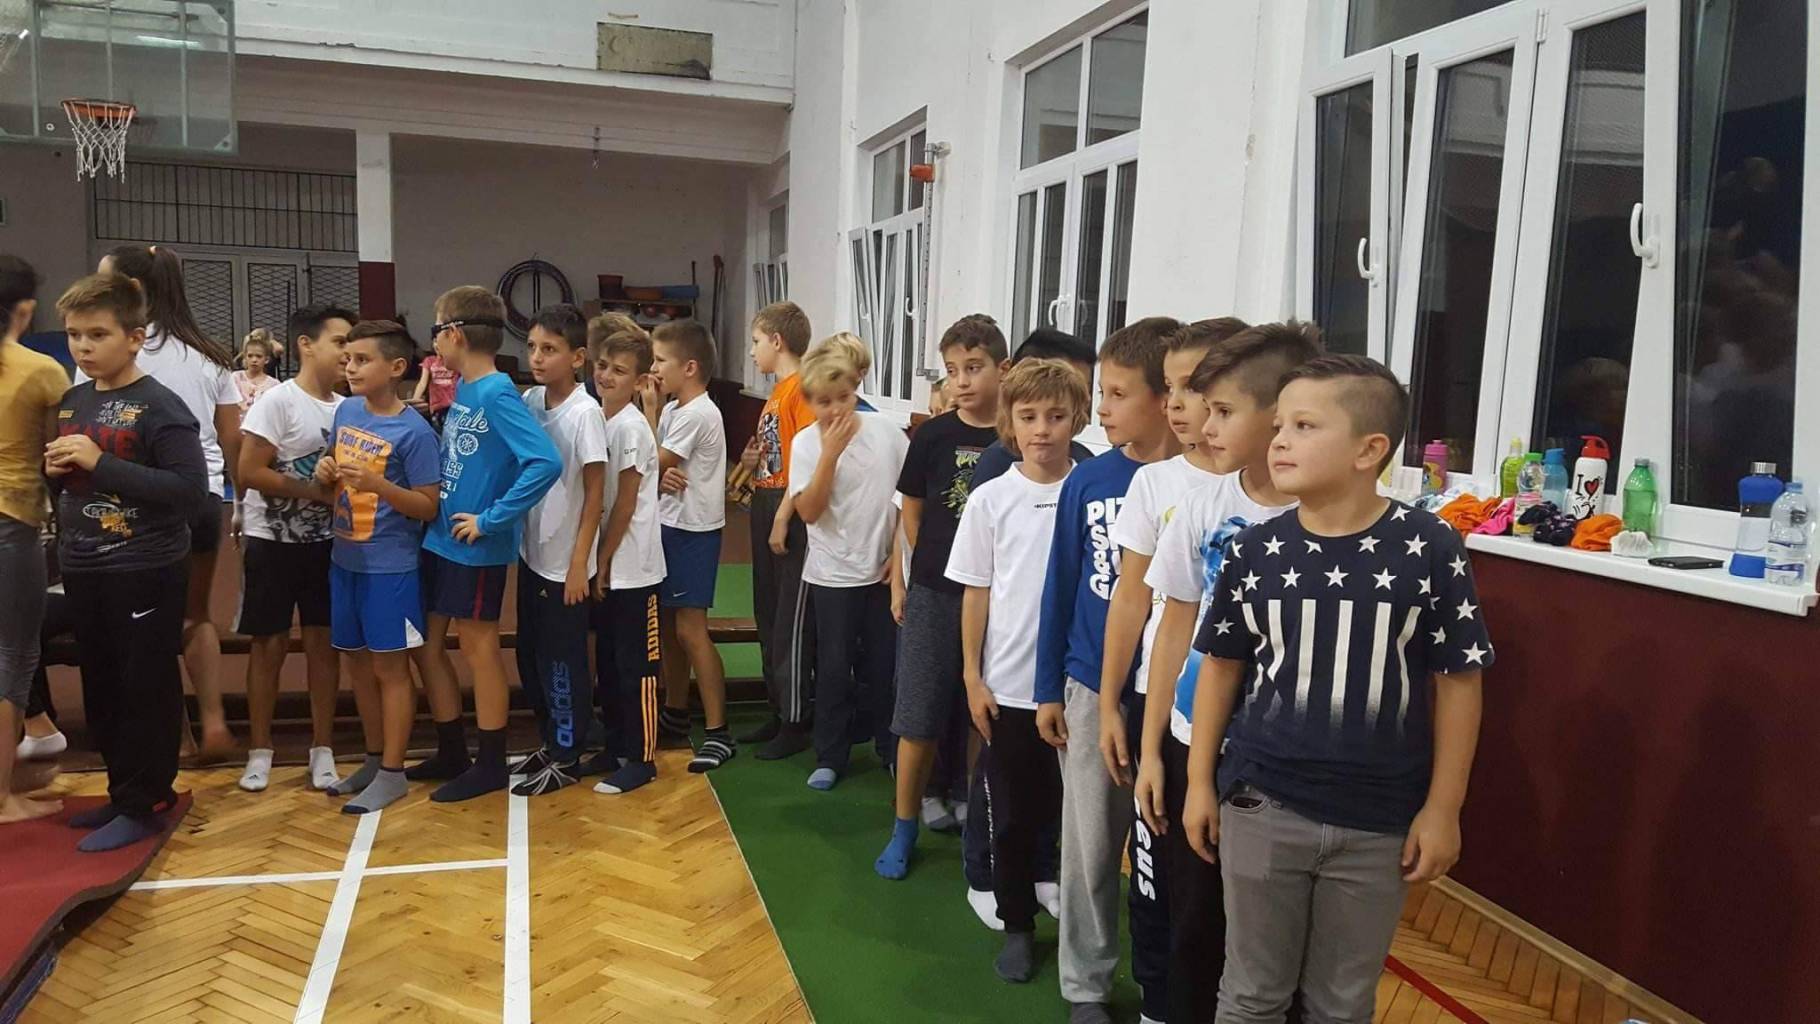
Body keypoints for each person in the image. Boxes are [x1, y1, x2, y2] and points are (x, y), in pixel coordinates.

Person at [1181, 354, 1492, 1024]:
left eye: (1304, 426)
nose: (1279, 440)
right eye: (1279, 425)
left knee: (1342, 1002)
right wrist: (1200, 781)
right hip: (1263, 802)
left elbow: (1459, 681)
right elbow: (1221, 666)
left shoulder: (1430, 546)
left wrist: (1444, 809)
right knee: (1252, 993)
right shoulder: (1254, 549)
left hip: (1380, 820)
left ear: (1368, 450)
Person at [1136, 321, 1322, 1023]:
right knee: (1196, 926)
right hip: (1197, 743)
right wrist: (1153, 748)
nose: (1204, 426)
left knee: (1278, 940)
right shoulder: (1203, 507)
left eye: (1222, 411)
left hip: (1284, 755)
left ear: (1278, 416)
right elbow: (1172, 629)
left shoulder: (1324, 518)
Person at [1030, 316, 1183, 1024]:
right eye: (1102, 393)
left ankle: (1168, 985)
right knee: (1090, 848)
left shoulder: (1203, 482)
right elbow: (1061, 585)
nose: (1103, 409)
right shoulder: (1089, 480)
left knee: (1166, 853)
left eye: (1118, 394)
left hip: (1173, 696)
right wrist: (1048, 689)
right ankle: (1085, 984)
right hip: (1092, 686)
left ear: (1164, 397)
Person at [48, 272, 208, 851]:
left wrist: (101, 463)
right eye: (74, 335)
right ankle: (123, 793)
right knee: (103, 686)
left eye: (97, 335)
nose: (83, 347)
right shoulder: (75, 401)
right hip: (84, 564)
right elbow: (75, 485)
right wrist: (55, 473)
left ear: (136, 338)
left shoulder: (160, 406)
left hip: (145, 566)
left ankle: (146, 802)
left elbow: (191, 492)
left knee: (144, 686)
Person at [946, 358, 1089, 982]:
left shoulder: (1093, 492)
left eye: (1056, 416)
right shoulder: (991, 499)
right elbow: (976, 591)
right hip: (1007, 684)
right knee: (1009, 813)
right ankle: (1017, 923)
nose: (1042, 430)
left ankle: (1065, 904)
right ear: (1009, 422)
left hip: (1078, 683)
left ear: (1077, 419)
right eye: (1029, 417)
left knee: (1075, 815)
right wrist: (972, 677)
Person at [413, 285, 561, 802]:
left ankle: (492, 762)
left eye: (436, 331)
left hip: (474, 546)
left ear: (454, 334)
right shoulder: (465, 389)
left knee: (479, 648)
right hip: (440, 539)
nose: (434, 343)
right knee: (428, 645)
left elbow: (544, 462)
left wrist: (492, 519)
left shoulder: (498, 392)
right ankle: (452, 748)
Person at [874, 313, 1007, 880]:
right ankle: (904, 824)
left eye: (973, 368)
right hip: (935, 590)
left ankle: (975, 810)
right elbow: (913, 509)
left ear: (1003, 369)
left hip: (999, 598)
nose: (962, 381)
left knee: (985, 711)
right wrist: (916, 570)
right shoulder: (931, 435)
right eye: (952, 370)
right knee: (918, 711)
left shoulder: (1015, 439)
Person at [97, 245, 240, 762]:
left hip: (139, 502)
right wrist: (242, 504)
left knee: (148, 622)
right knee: (196, 616)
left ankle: (176, 737)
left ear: (132, 290)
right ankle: (215, 723)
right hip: (203, 498)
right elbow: (231, 440)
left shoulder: (113, 351)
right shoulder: (208, 354)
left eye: (104, 282)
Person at [318, 320, 441, 814]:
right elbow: (332, 467)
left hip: (391, 568)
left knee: (391, 668)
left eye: (362, 360)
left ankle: (393, 772)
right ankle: (373, 759)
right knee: (357, 663)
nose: (350, 368)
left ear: (396, 368)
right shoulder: (346, 410)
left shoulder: (415, 432)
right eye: (348, 359)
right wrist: (326, 469)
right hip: (343, 559)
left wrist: (380, 486)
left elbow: (428, 506)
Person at [234, 303, 356, 793]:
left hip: (328, 543)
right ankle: (259, 751)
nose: (348, 353)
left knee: (324, 644)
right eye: (340, 342)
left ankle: (323, 749)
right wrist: (313, 492)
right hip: (272, 541)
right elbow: (248, 471)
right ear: (306, 345)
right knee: (269, 645)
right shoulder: (278, 401)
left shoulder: (347, 407)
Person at [789, 333, 907, 791]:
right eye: (824, 402)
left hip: (882, 574)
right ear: (810, 402)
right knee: (834, 670)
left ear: (855, 390)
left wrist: (898, 556)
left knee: (884, 668)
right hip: (832, 575)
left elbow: (907, 500)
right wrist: (830, 456)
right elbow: (808, 511)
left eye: (843, 397)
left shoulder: (887, 433)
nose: (836, 409)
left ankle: (889, 749)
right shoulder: (805, 444)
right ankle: (830, 754)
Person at [511, 304, 609, 796]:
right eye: (532, 347)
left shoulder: (585, 413)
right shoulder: (530, 401)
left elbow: (595, 494)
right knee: (529, 655)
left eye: (549, 349)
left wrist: (578, 564)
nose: (537, 357)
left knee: (562, 662)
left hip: (564, 565)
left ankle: (569, 754)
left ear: (577, 358)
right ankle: (551, 742)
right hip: (532, 553)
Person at [0, 254, 68, 824]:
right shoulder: (42, 370)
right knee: (13, 656)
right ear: (24, 309)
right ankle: (2, 797)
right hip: (10, 520)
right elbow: (56, 460)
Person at [651, 319, 734, 772]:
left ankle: (719, 731)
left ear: (689, 367)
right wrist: (658, 471)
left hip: (693, 532)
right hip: (669, 524)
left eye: (660, 360)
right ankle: (675, 711)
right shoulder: (673, 410)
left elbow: (649, 462)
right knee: (668, 627)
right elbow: (656, 469)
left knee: (690, 630)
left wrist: (648, 416)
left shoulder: (698, 413)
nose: (653, 369)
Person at [588, 326, 666, 795]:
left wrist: (603, 558)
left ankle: (642, 758)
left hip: (634, 568)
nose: (606, 376)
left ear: (639, 382)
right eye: (602, 366)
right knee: (611, 663)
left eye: (619, 371)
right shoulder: (600, 419)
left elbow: (625, 503)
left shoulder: (632, 427)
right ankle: (615, 745)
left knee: (638, 668)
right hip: (609, 567)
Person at [739, 301, 817, 759]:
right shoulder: (776, 393)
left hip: (787, 506)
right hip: (767, 498)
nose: (752, 352)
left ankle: (796, 718)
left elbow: (806, 462)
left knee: (789, 617)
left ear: (776, 340)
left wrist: (784, 515)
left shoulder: (801, 390)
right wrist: (754, 464)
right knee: (766, 610)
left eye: (755, 341)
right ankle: (777, 705)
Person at [969, 327, 1099, 488]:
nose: (1086, 398)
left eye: (1085, 387)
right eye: (1029, 417)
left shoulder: (1085, 461)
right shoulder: (996, 465)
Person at [410, 347, 459, 432]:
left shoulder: (456, 360)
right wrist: (414, 402)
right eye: (435, 341)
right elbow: (422, 383)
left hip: (454, 405)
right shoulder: (429, 361)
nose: (437, 344)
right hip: (437, 406)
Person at [233, 329, 281, 412]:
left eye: (259, 356)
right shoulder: (235, 378)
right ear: (245, 357)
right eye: (250, 356)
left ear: (266, 359)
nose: (254, 360)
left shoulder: (274, 384)